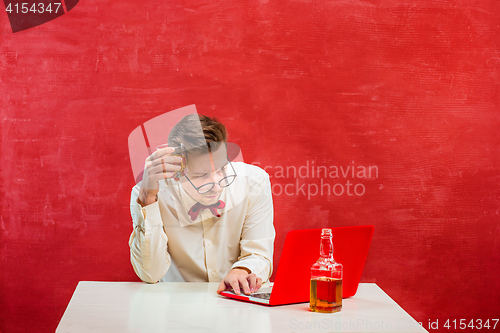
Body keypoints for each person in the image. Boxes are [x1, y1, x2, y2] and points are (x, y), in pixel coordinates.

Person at [129, 114, 275, 295]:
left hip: (239, 301)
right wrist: (148, 199)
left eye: (222, 169)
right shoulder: (148, 194)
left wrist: (242, 270)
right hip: (179, 307)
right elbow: (150, 273)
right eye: (201, 175)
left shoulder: (254, 182)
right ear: (178, 171)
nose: (216, 183)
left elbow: (259, 252)